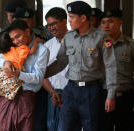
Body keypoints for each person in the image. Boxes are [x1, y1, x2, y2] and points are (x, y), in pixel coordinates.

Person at [45, 1, 118, 131]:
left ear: (83, 18)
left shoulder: (103, 38)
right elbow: (60, 62)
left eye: (72, 17)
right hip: (71, 90)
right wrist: (40, 75)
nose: (69, 21)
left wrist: (111, 95)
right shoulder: (68, 37)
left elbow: (111, 67)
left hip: (92, 91)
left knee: (92, 127)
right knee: (67, 127)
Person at [0, 19, 49, 131]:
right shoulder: (12, 46)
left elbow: (38, 78)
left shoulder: (42, 50)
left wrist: (18, 74)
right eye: (12, 39)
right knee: (2, 127)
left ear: (28, 31)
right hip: (8, 93)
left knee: (24, 127)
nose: (15, 41)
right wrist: (5, 62)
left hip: (27, 96)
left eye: (18, 36)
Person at [0, 32, 39, 104]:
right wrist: (36, 41)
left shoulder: (5, 52)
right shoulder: (21, 49)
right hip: (14, 74)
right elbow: (32, 52)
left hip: (4, 72)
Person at [101, 8, 134, 131]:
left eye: (110, 21)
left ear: (120, 22)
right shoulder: (99, 45)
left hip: (125, 97)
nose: (106, 26)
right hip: (103, 95)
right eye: (103, 22)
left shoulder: (130, 45)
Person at [44, 7, 69, 131]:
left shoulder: (77, 42)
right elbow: (42, 75)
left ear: (65, 21)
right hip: (53, 94)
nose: (51, 28)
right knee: (52, 127)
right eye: (48, 25)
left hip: (72, 94)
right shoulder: (46, 47)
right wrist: (52, 92)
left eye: (54, 24)